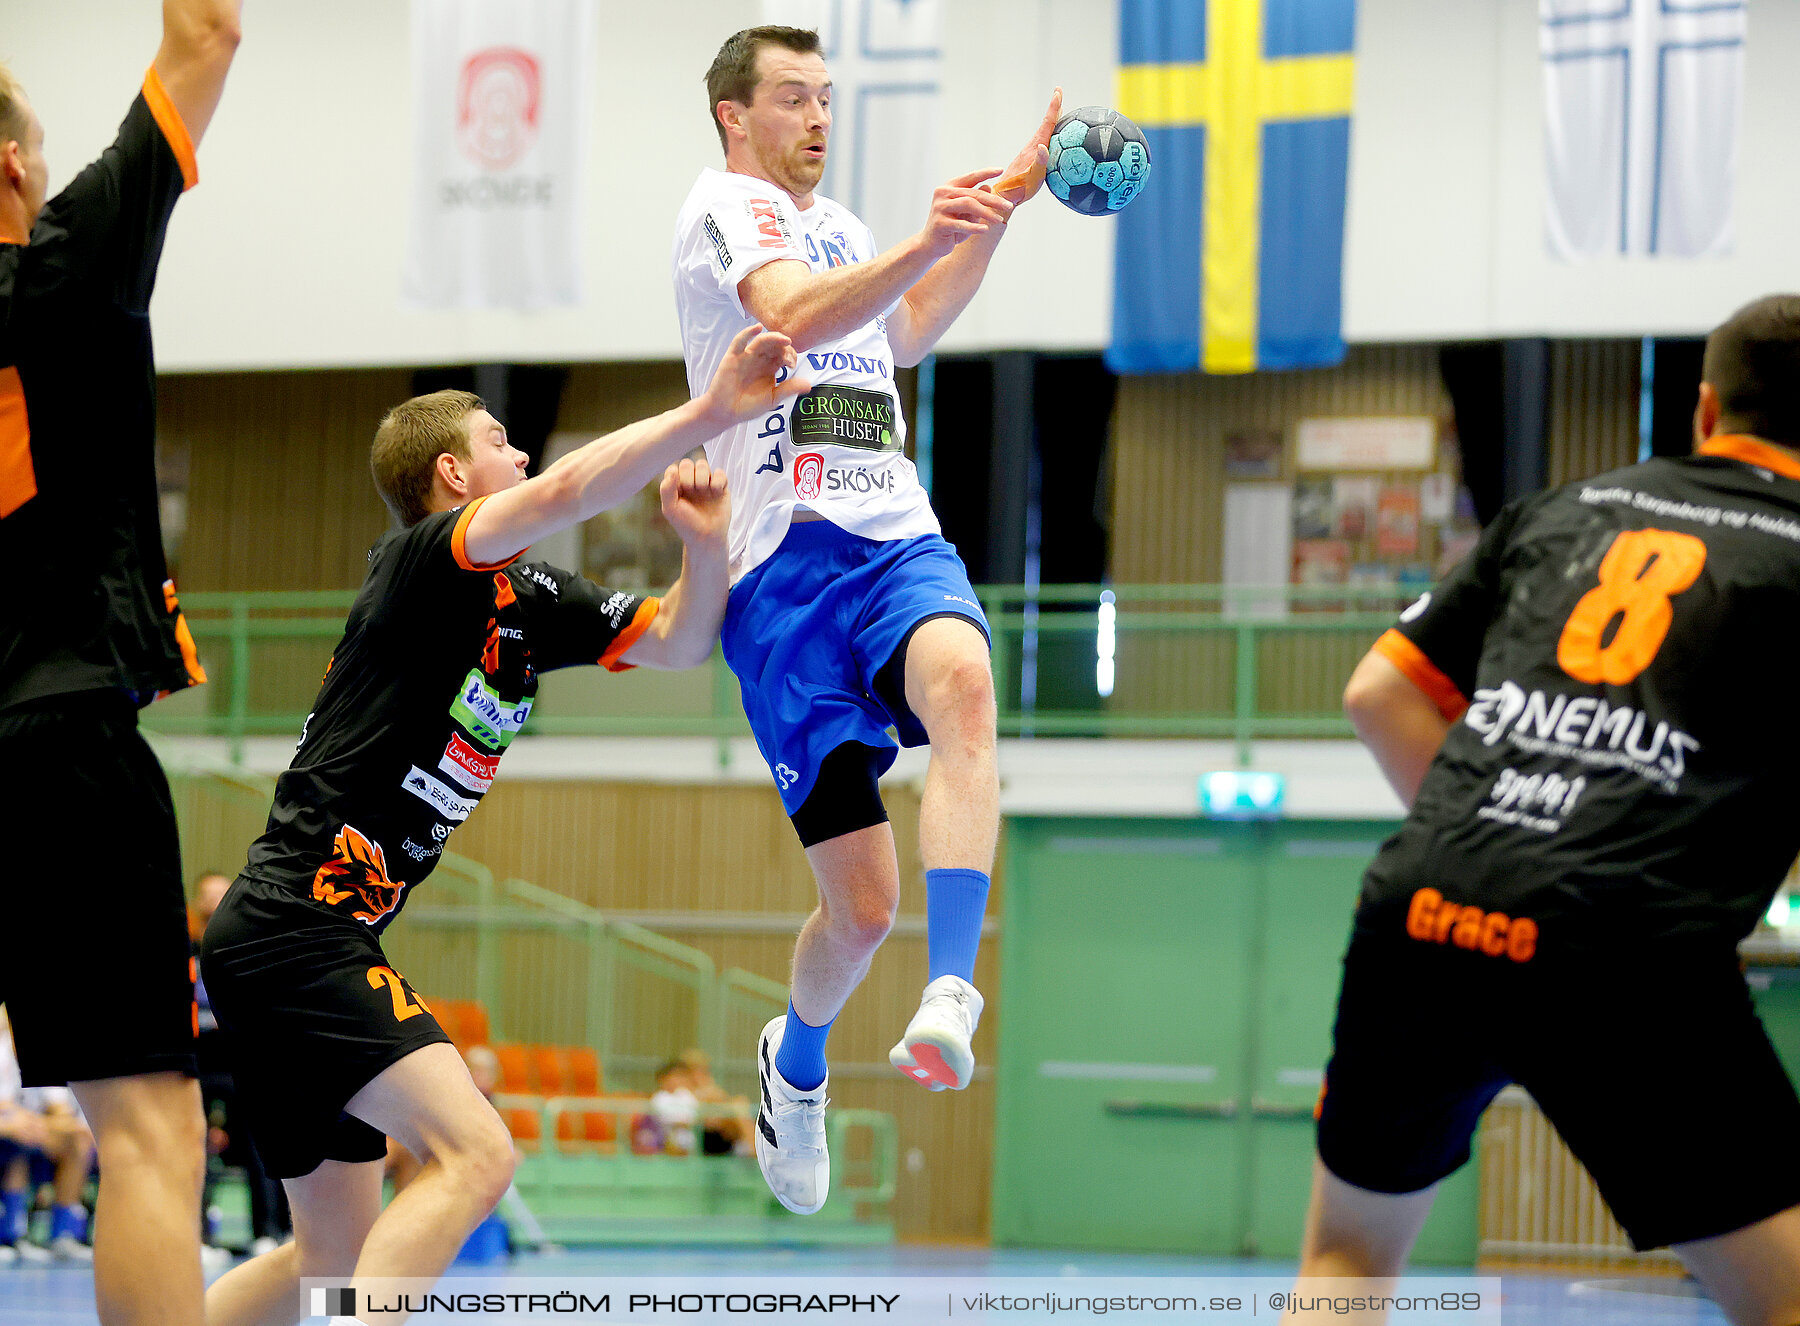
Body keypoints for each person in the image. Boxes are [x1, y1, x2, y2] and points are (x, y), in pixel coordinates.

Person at [196, 324, 801, 1326]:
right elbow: (568, 491)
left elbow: (683, 642)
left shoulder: (532, 599)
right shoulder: (428, 560)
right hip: (295, 929)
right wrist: (710, 412)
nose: (522, 455)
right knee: (478, 1154)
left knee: (325, 1260)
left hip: (292, 940)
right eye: (503, 440)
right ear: (451, 472)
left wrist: (701, 545)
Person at [1284, 295, 1800, 1326]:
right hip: (1626, 939)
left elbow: (1377, 694)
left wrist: (1505, 841)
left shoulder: (1567, 507)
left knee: (1346, 1260)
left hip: (1431, 904)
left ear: (1703, 411)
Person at [673, 24, 1060, 1215]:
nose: (819, 118)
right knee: (861, 908)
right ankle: (795, 1068)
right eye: (793, 98)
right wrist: (928, 234)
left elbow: (898, 333)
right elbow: (796, 310)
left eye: (827, 98)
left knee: (966, 691)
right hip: (782, 573)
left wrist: (993, 214)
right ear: (736, 116)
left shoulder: (843, 225)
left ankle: (952, 995)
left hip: (892, 531)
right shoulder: (723, 213)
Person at [0, 5, 241, 1321]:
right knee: (148, 1132)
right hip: (54, 737)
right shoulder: (65, 258)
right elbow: (205, 36)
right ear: (14, 171)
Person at [190, 871, 290, 1257]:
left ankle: (267, 1230)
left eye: (221, 894)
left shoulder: (249, 947)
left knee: (257, 1148)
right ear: (198, 903)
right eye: (208, 895)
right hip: (194, 1066)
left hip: (241, 1064)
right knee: (194, 1148)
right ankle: (196, 1235)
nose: (214, 902)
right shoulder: (184, 950)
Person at [0, 1006, 95, 1265]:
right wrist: (21, 1123)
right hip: (8, 1128)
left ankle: (62, 1236)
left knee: (78, 1142)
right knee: (18, 1140)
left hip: (29, 1128)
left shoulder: (44, 1054)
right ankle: (10, 1235)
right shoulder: (3, 1051)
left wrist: (81, 1128)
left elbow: (58, 1109)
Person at [677, 1047, 752, 1155]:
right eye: (695, 1071)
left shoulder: (712, 1091)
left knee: (740, 1104)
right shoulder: (681, 1094)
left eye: (705, 1071)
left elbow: (725, 1118)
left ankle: (756, 1151)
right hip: (691, 1144)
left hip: (720, 1141)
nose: (702, 1076)